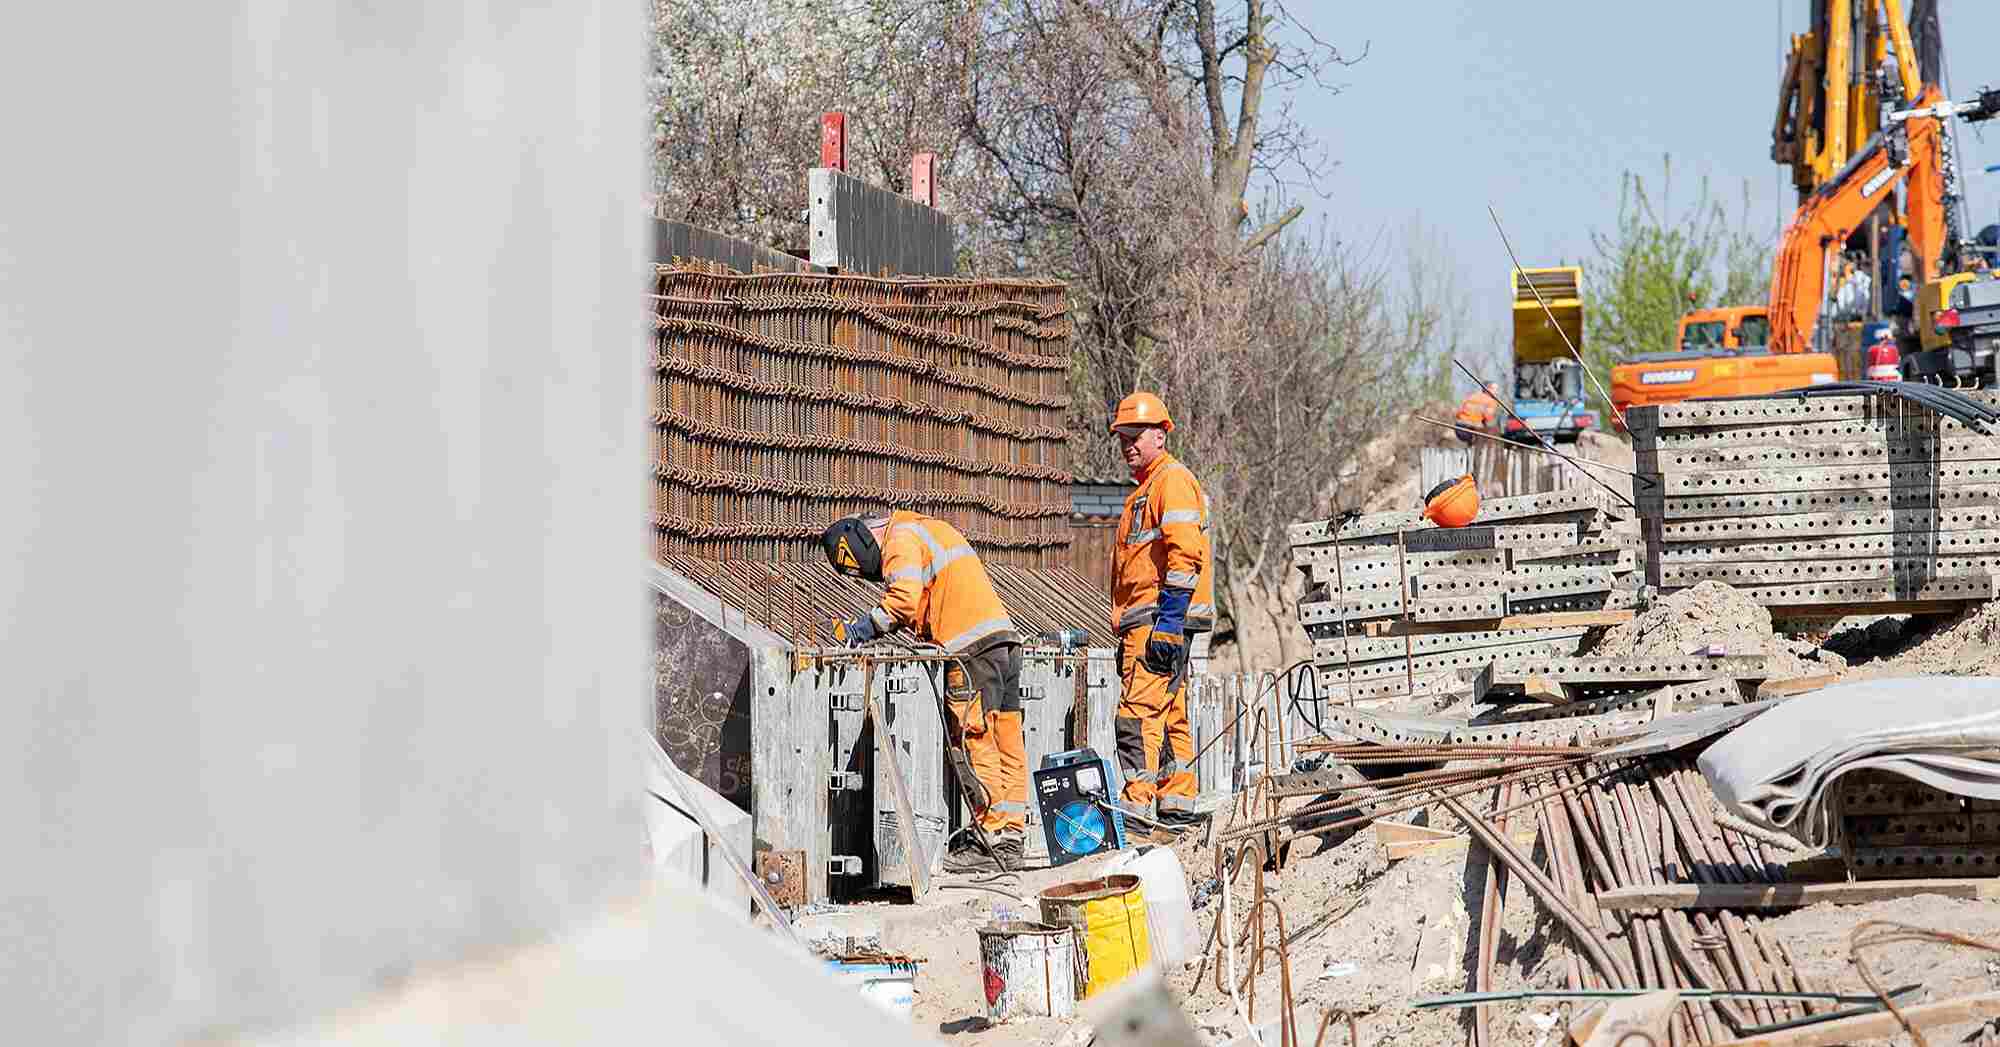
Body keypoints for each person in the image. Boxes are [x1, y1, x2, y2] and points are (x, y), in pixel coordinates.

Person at [821, 509, 1026, 870]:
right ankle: (1010, 836)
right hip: (1001, 642)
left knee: (973, 740)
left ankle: (990, 838)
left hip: (969, 649)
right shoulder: (928, 529)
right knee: (1005, 740)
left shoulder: (899, 539)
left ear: (865, 538)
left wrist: (860, 630)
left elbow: (903, 599)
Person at [1107, 391, 1212, 822]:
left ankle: (1136, 808)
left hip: (1158, 618)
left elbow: (1185, 553)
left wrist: (1168, 622)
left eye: (1136, 435)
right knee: (1171, 717)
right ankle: (1176, 802)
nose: (1128, 444)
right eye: (1123, 437)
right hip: (1150, 618)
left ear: (1160, 436)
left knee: (1135, 715)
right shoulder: (1148, 490)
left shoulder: (1169, 482)